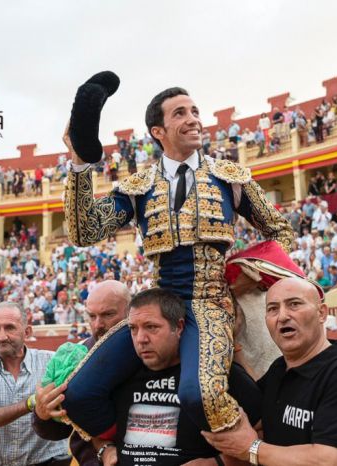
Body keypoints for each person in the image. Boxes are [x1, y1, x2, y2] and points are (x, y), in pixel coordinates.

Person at [62, 85, 293, 436]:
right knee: (78, 394)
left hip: (211, 304)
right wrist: (80, 165)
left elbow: (280, 231)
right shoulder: (137, 187)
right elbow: (84, 233)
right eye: (180, 113)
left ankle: (248, 454)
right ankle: (129, 451)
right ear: (159, 132)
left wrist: (254, 274)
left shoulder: (230, 178)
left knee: (204, 396)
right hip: (158, 305)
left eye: (195, 111)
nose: (193, 120)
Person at [202, 277, 337, 465]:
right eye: (273, 309)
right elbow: (256, 413)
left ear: (322, 313)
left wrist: (251, 448)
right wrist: (229, 341)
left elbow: (327, 461)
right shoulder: (279, 369)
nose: (282, 316)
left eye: (294, 304)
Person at [93, 288, 261, 465]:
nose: (141, 338)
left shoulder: (216, 375)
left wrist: (216, 463)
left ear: (179, 327)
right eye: (133, 329)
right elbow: (94, 431)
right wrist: (105, 450)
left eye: (151, 327)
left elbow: (263, 433)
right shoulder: (119, 375)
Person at [32, 281, 131, 466]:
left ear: (129, 311)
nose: (98, 324)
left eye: (108, 314)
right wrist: (43, 414)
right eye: (91, 316)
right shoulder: (76, 355)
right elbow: (57, 431)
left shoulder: (148, 351)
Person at [0, 301, 70, 466]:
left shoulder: (52, 361)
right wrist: (32, 403)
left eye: (10, 328)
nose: (2, 337)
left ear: (27, 331)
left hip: (49, 462)